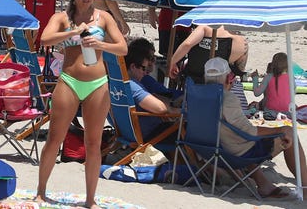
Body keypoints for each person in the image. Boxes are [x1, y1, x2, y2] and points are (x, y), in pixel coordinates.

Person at [36, 0, 127, 208]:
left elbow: (122, 48)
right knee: (55, 138)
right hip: (69, 80)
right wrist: (73, 32)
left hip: (97, 83)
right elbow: (44, 39)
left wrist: (101, 44)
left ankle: (90, 200)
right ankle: (41, 191)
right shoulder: (63, 18)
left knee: (93, 143)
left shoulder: (103, 17)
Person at [204, 57, 306, 200]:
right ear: (228, 78)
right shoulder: (227, 98)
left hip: (207, 149)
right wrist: (280, 130)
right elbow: (249, 132)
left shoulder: (196, 96)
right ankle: (306, 185)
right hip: (233, 154)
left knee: (237, 138)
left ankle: (264, 184)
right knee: (290, 135)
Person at [124, 40, 180, 149]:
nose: (146, 72)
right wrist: (172, 110)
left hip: (130, 134)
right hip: (151, 135)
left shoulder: (117, 83)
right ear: (133, 67)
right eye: (144, 68)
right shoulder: (132, 85)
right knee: (190, 131)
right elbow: (161, 109)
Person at [168, 24, 248, 85]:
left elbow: (187, 44)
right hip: (221, 84)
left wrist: (172, 62)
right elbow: (240, 69)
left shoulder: (205, 27)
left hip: (195, 78)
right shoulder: (240, 39)